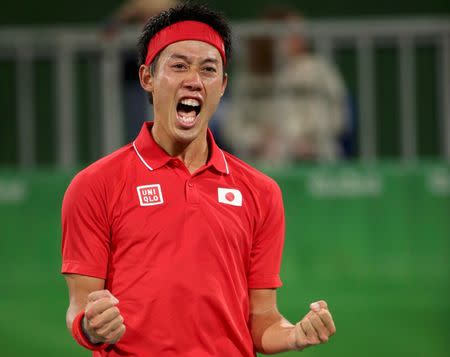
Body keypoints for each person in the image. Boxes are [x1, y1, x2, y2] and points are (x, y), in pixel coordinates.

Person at [61, 3, 336, 356]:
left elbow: (263, 319)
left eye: (208, 69)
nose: (194, 79)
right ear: (147, 77)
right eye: (178, 66)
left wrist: (295, 334)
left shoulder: (262, 192)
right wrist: (91, 325)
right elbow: (79, 308)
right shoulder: (93, 186)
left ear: (222, 86)